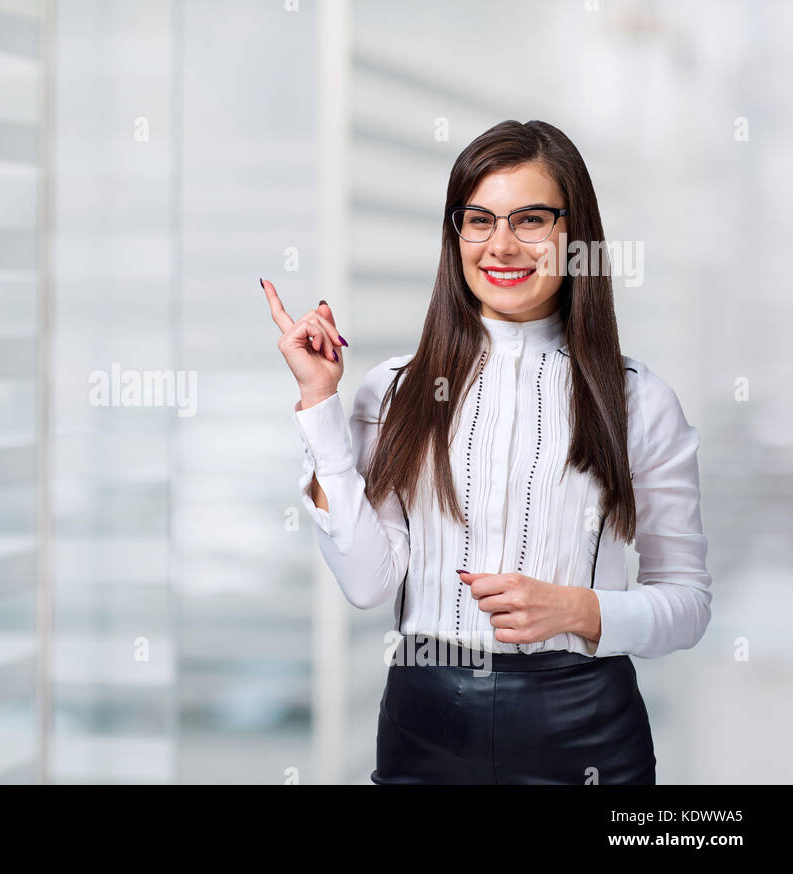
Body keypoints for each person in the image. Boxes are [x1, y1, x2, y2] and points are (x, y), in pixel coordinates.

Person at [261, 119, 711, 785]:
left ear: (573, 236)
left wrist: (580, 610)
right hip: (423, 731)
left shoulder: (639, 400)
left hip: (586, 731)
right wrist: (319, 403)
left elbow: (689, 604)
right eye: (479, 220)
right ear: (456, 235)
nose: (502, 245)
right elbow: (367, 584)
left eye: (531, 219)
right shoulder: (392, 391)